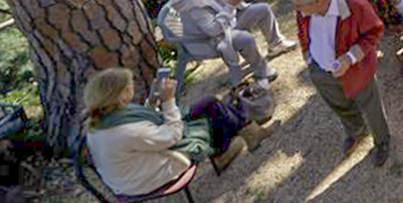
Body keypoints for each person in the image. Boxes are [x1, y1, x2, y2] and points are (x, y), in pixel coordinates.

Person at [84, 67, 276, 197]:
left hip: (131, 173)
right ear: (123, 93)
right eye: (130, 84)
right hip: (147, 178)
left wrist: (152, 103)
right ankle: (245, 134)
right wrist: (168, 101)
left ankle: (235, 142)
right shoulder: (124, 130)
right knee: (206, 121)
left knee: (210, 104)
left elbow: (145, 125)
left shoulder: (103, 119)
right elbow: (172, 135)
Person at [287, 0, 390, 166]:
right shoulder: (304, 11)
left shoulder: (356, 4)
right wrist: (309, 58)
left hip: (356, 69)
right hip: (320, 71)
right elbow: (303, 33)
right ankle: (356, 131)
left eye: (300, 5)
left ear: (318, 1)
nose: (297, 10)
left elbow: (375, 32)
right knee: (340, 105)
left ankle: (382, 141)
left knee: (371, 106)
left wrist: (350, 58)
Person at [169, 0, 295, 87]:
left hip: (228, 20)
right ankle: (261, 70)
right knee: (245, 38)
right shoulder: (194, 6)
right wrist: (230, 6)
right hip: (213, 37)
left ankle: (276, 44)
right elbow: (212, 30)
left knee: (263, 9)